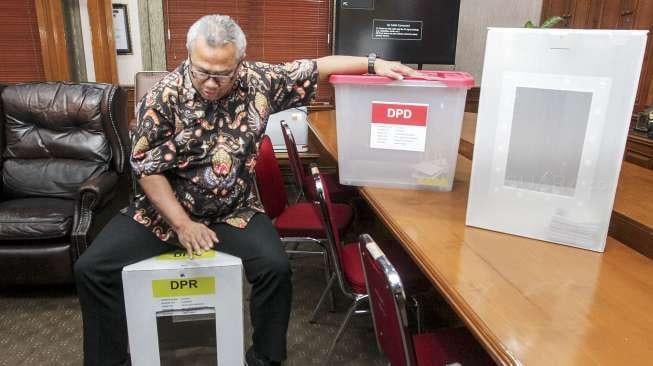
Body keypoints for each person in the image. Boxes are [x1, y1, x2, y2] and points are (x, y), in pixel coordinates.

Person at [74, 14, 418, 366]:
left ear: (239, 63)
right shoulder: (163, 98)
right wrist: (182, 224)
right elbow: (147, 170)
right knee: (91, 269)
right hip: (164, 214)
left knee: (275, 268)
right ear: (189, 56)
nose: (209, 83)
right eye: (200, 70)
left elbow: (320, 67)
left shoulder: (259, 82)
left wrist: (375, 63)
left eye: (221, 75)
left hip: (232, 211)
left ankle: (265, 359)